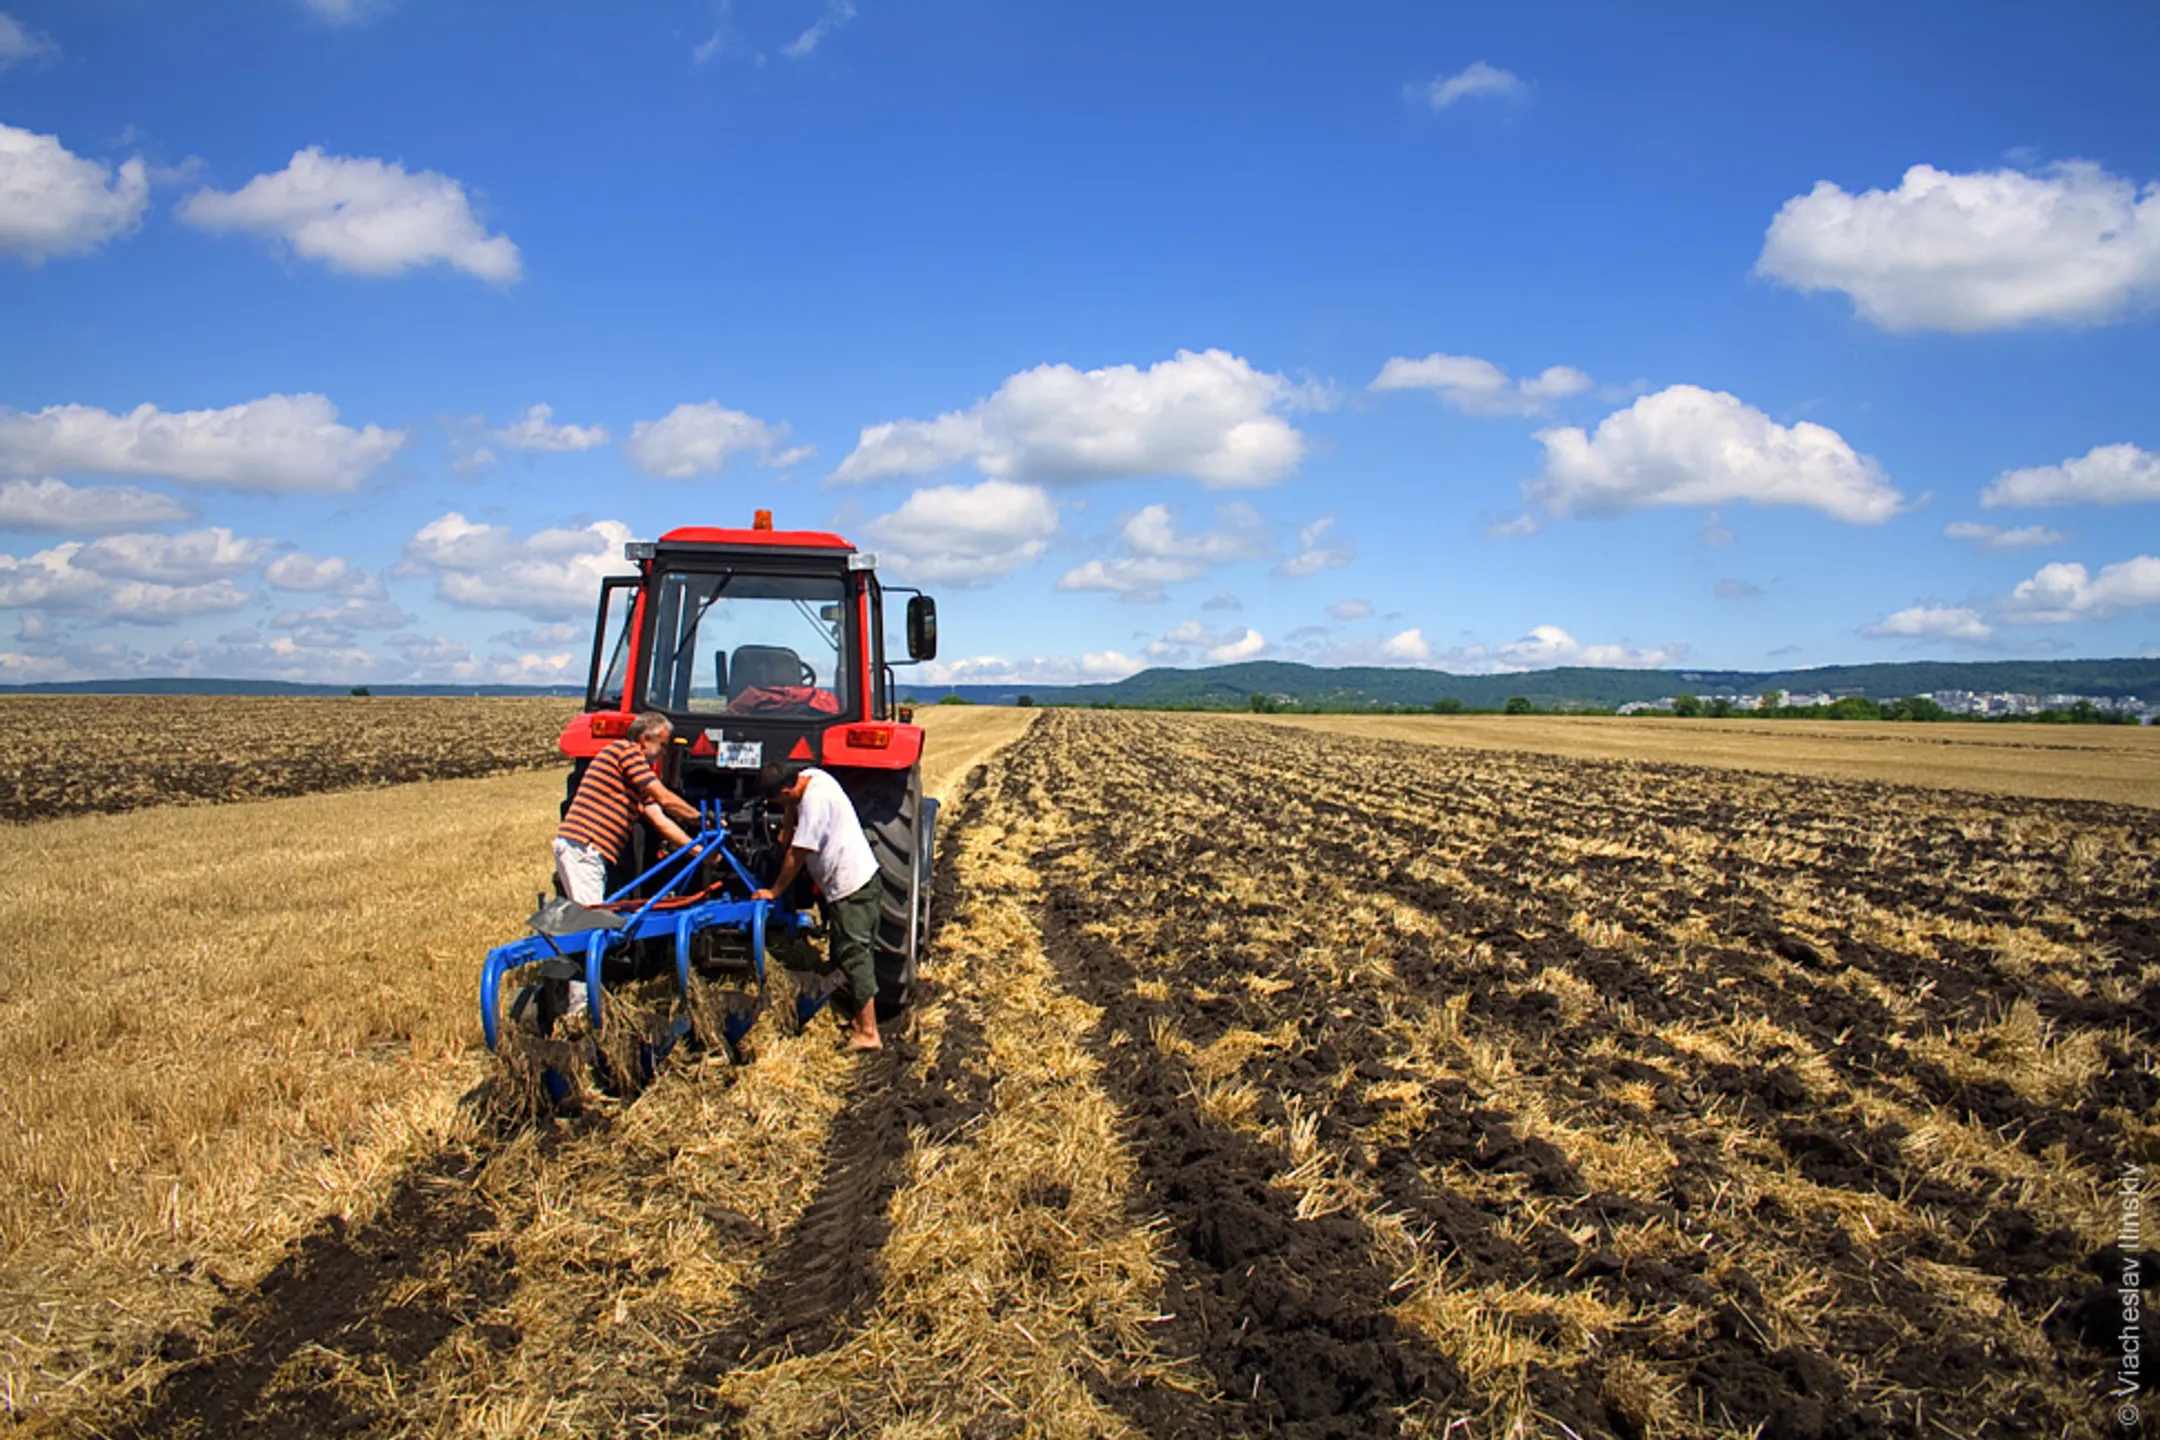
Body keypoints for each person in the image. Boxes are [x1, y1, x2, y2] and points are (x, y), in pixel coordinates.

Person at [752, 762, 883, 1051]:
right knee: (844, 952)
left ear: (786, 791)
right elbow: (791, 810)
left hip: (851, 886)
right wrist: (787, 822)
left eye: (779, 801)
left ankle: (869, 1032)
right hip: (853, 882)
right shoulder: (812, 776)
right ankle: (857, 1020)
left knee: (854, 955)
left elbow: (795, 856)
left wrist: (773, 892)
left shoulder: (815, 803)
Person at [554, 710, 701, 906]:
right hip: (583, 847)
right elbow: (665, 799)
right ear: (645, 740)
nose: (664, 753)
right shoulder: (626, 751)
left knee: (594, 913)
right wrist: (700, 818)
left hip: (588, 851)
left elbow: (661, 822)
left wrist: (700, 852)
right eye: (663, 745)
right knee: (591, 918)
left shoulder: (638, 778)